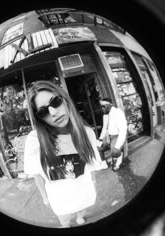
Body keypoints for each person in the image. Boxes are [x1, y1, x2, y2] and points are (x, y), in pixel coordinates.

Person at [23, 80, 108, 228]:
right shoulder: (35, 140)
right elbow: (37, 173)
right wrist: (44, 197)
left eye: (55, 102)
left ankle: (80, 217)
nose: (53, 113)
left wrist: (93, 181)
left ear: (65, 100)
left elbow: (91, 165)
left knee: (82, 211)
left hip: (84, 193)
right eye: (43, 111)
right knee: (64, 221)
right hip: (60, 199)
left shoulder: (87, 133)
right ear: (39, 118)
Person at [97, 98, 127, 171]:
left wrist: (117, 145)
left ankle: (119, 161)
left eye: (103, 106)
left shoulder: (118, 112)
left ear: (109, 105)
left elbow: (123, 130)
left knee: (114, 151)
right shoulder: (105, 115)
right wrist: (100, 139)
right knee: (98, 147)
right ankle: (104, 164)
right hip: (108, 136)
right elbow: (104, 128)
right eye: (101, 106)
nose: (102, 108)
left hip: (117, 135)